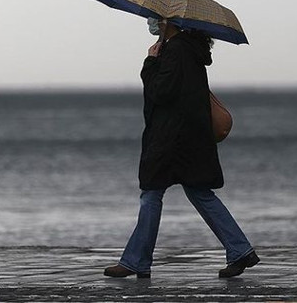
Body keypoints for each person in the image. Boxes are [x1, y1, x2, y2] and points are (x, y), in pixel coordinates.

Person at [103, 17, 259, 279]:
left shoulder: (176, 51)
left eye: (154, 20)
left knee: (152, 193)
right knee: (199, 193)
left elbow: (160, 93)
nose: (151, 24)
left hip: (171, 139)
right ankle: (240, 251)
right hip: (190, 137)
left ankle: (136, 261)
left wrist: (150, 62)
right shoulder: (189, 49)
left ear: (166, 22)